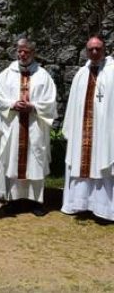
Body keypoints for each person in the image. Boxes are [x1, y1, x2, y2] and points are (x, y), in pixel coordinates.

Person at [0, 39, 57, 216]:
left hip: (34, 125)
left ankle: (35, 200)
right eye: (20, 51)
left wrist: (34, 107)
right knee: (12, 159)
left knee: (34, 159)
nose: (22, 54)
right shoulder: (7, 74)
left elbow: (51, 101)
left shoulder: (43, 75)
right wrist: (12, 104)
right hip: (13, 124)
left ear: (33, 53)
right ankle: (13, 199)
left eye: (26, 51)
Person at [61, 37, 114, 221]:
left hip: (104, 132)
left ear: (104, 49)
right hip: (82, 130)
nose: (94, 52)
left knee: (102, 163)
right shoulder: (81, 74)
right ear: (86, 51)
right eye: (90, 49)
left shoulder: (112, 72)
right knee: (81, 162)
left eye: (97, 49)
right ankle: (81, 204)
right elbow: (72, 105)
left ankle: (104, 210)